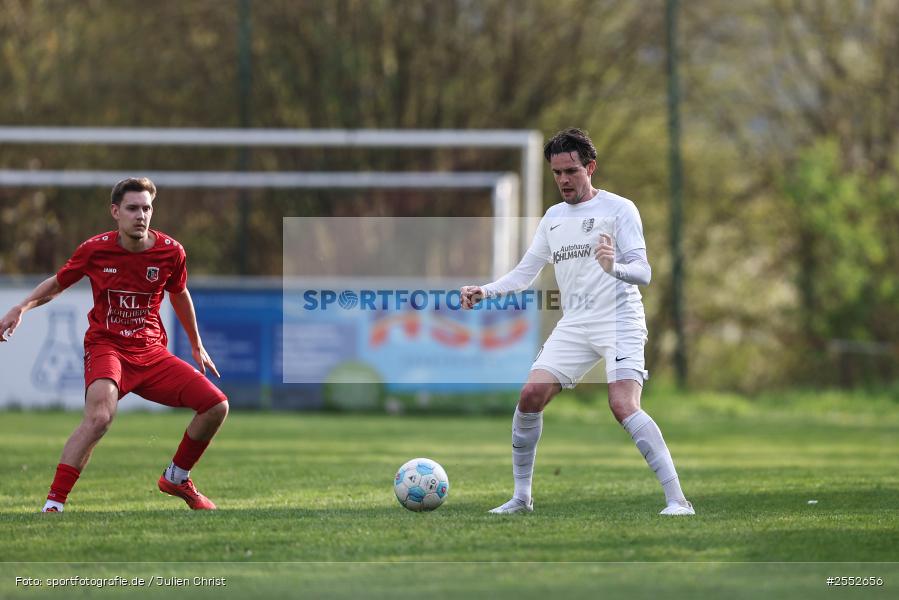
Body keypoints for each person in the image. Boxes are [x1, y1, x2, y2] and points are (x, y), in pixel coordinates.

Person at [461, 128, 693, 516]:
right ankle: (521, 498)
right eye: (557, 173)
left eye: (571, 171)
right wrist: (485, 291)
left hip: (619, 320)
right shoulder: (553, 218)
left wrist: (613, 267)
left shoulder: (620, 209)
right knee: (530, 396)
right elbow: (524, 274)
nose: (564, 180)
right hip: (576, 323)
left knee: (622, 405)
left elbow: (644, 272)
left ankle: (678, 501)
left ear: (591, 168)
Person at [0, 177, 229, 512]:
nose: (141, 215)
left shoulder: (171, 251)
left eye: (146, 208)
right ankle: (54, 504)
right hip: (106, 347)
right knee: (99, 417)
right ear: (115, 212)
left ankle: (177, 477)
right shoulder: (95, 249)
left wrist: (196, 344)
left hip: (151, 353)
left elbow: (179, 293)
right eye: (133, 208)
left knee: (216, 405)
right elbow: (58, 283)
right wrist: (22, 307)